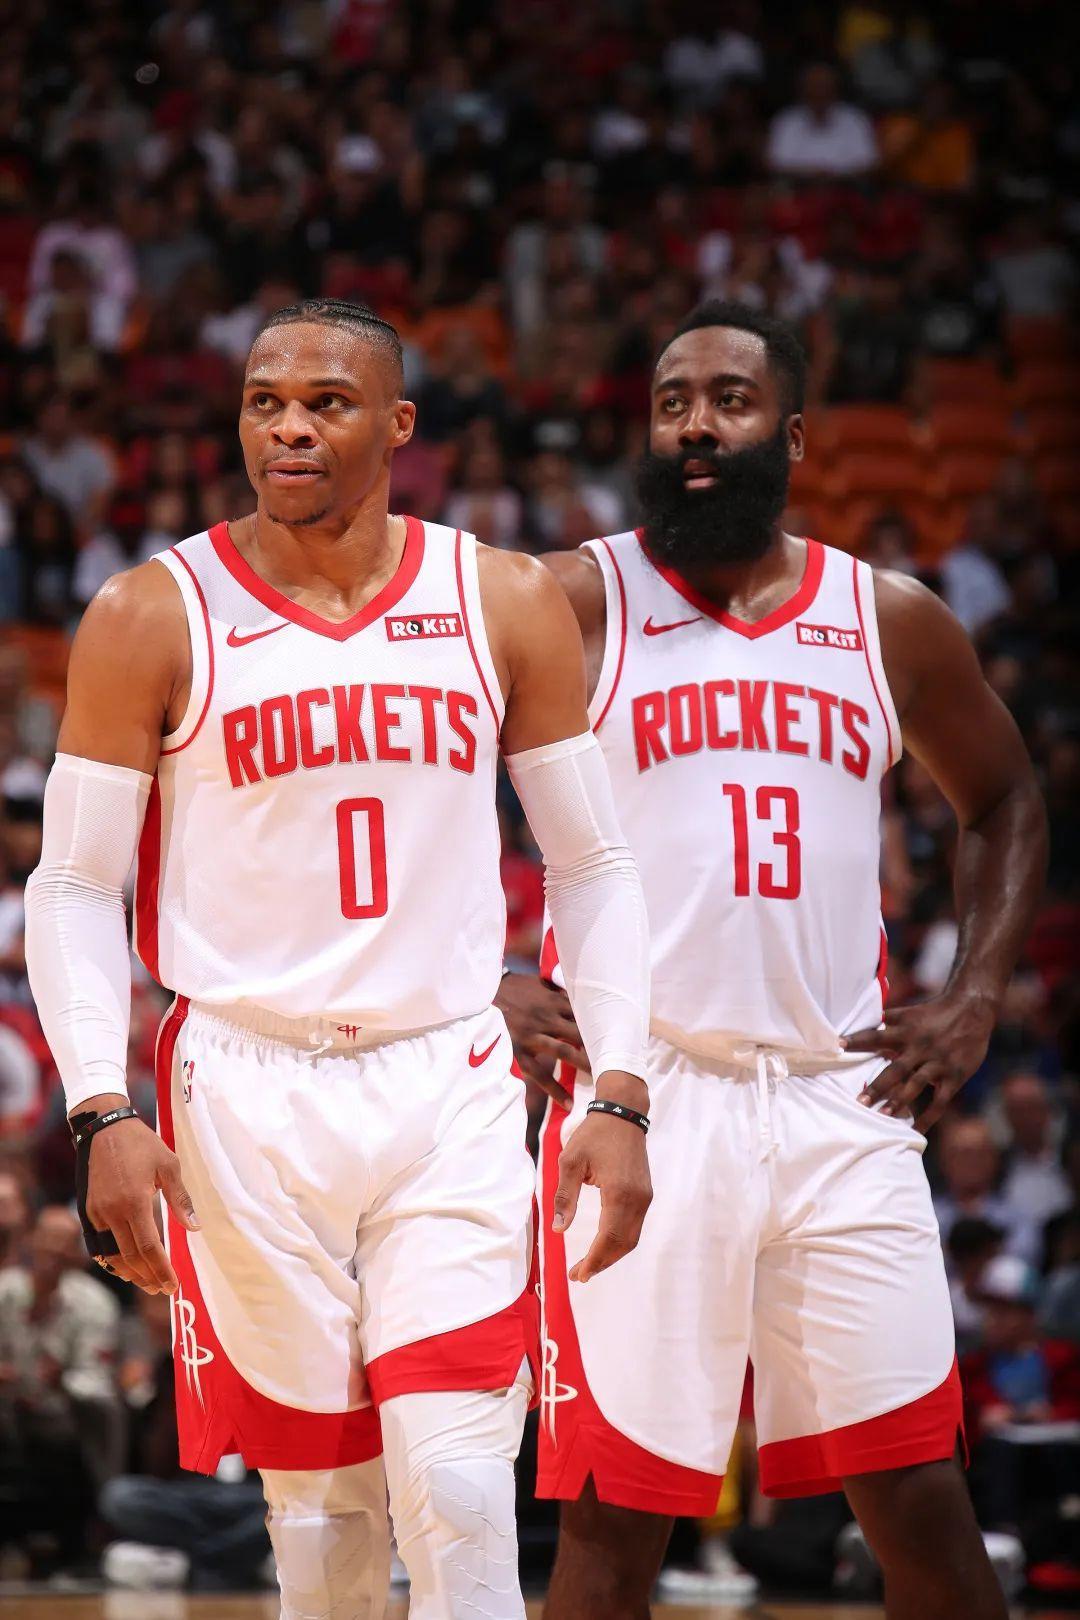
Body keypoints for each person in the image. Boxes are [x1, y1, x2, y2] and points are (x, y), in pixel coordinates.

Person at [24, 297, 653, 1620]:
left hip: (447, 1079)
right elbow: (75, 881)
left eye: (327, 402)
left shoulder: (501, 596)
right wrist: (100, 1113)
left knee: (464, 1490)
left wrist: (622, 1089)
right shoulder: (152, 612)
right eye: (265, 403)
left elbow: (594, 862)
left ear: (400, 425)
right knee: (321, 1527)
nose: (290, 428)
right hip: (244, 1089)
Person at [497, 300, 1047, 1620]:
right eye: (673, 402)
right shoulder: (573, 599)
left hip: (838, 1099)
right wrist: (485, 969)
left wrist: (975, 994)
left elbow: (1005, 797)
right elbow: (416, 774)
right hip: (644, 1097)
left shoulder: (887, 617)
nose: (696, 424)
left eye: (730, 401)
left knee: (922, 1502)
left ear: (791, 435)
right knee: (614, 1522)